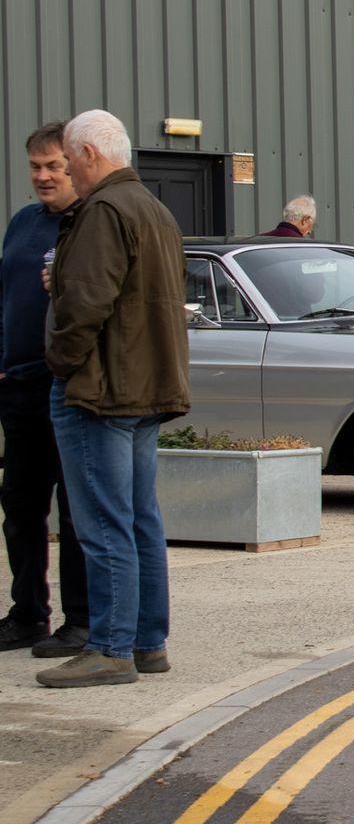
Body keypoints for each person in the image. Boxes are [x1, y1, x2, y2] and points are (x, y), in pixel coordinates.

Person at [38, 111, 191, 688]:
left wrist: (59, 360)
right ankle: (148, 642)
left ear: (91, 155)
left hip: (101, 391)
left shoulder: (102, 210)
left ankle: (109, 647)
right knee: (139, 517)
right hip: (147, 388)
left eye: (70, 159)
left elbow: (86, 305)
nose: (68, 171)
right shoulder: (155, 210)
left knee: (104, 522)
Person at [0, 122, 90, 657]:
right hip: (18, 387)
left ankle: (79, 622)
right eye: (35, 167)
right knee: (20, 505)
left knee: (74, 509)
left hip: (66, 386)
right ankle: (28, 612)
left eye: (54, 166)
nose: (43, 176)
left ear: (75, 164)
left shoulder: (85, 226)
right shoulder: (22, 224)